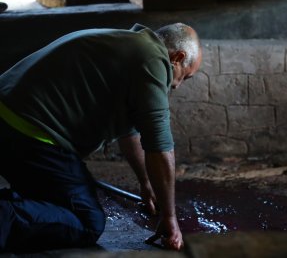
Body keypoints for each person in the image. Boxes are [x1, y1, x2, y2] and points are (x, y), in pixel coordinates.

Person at [0, 22, 202, 251]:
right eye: (186, 77)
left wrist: (146, 183)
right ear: (177, 57)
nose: (177, 86)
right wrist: (170, 217)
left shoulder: (131, 45)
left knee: (50, 204)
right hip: (30, 132)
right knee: (87, 222)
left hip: (9, 120)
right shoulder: (154, 60)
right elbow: (160, 145)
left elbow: (130, 131)